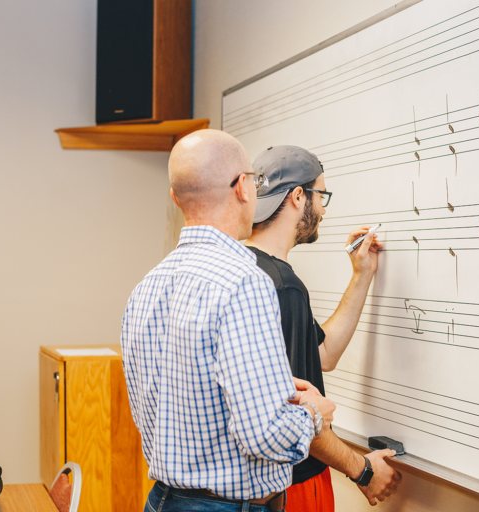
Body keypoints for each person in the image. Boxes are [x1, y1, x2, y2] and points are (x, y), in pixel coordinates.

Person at [120, 130, 337, 512]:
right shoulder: (244, 282)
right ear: (243, 188)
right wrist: (314, 415)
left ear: (175, 198)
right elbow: (264, 435)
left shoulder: (145, 287)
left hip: (162, 501)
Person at [245, 146, 402, 510]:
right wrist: (363, 470)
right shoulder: (284, 286)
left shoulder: (249, 269)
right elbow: (301, 416)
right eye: (321, 195)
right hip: (292, 485)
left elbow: (323, 354)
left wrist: (362, 275)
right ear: (299, 197)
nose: (324, 209)